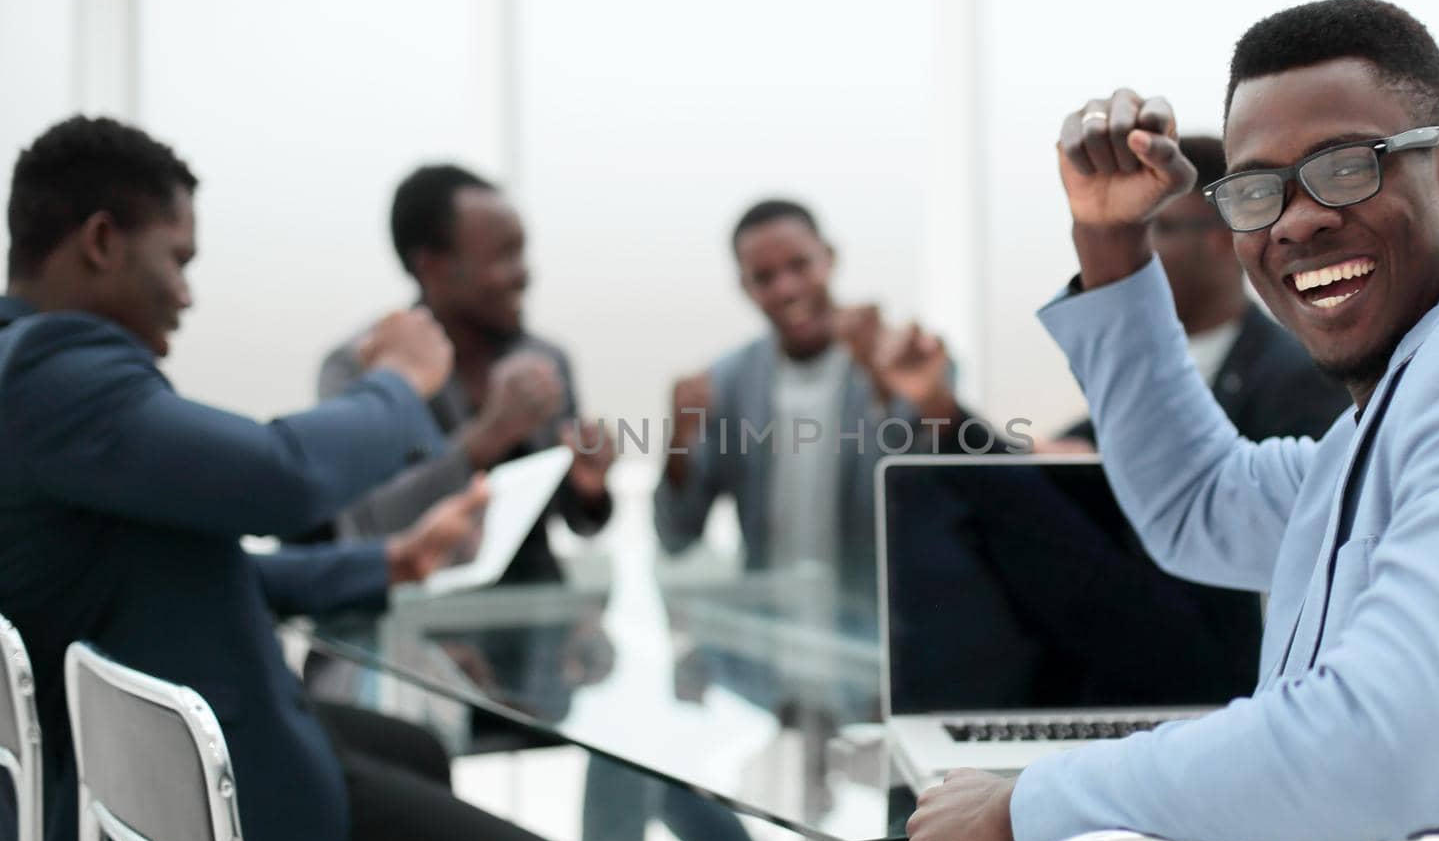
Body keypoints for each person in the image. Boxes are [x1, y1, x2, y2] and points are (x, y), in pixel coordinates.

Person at [907, 0, 1439, 841]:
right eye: (1256, 189)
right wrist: (1111, 240)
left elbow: (1377, 747)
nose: (1297, 222)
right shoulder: (1402, 401)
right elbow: (1200, 502)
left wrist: (1021, 806)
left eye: (1346, 168)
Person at [0, 116, 635, 841]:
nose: (188, 294)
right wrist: (401, 381)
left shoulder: (30, 366)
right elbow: (283, 477)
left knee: (418, 752)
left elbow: (200, 565)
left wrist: (390, 563)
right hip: (190, 797)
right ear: (100, 241)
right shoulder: (59, 377)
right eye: (179, 260)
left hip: (141, 754)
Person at [656, 198, 974, 616]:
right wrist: (679, 444)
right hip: (775, 644)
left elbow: (940, 494)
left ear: (830, 259)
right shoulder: (728, 384)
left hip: (887, 637)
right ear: (745, 286)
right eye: (764, 277)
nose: (786, 289)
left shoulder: (905, 359)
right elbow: (676, 536)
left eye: (800, 265)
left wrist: (883, 384)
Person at [319, 164, 615, 574]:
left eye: (522, 252)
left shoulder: (545, 357)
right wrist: (487, 437)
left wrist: (590, 489)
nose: (523, 273)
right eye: (503, 256)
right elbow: (369, 525)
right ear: (432, 267)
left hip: (533, 609)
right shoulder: (360, 365)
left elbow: (579, 523)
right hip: (410, 615)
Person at [1050, 135, 1346, 449]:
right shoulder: (1145, 366)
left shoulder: (1299, 378)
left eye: (1158, 227)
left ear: (1223, 239)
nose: (1136, 248)